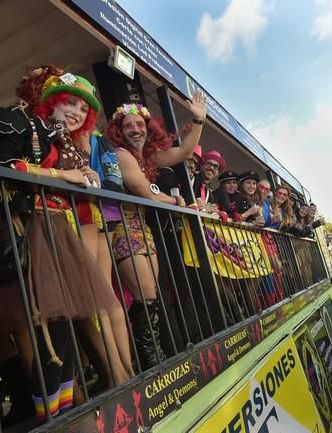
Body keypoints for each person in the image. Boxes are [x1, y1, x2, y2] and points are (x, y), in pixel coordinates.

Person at [0, 71, 121, 421]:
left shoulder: (63, 141)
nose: (75, 111)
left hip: (58, 232)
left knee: (65, 328)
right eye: (69, 101)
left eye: (83, 108)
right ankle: (51, 419)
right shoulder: (18, 120)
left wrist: (86, 177)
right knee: (48, 331)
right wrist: (63, 176)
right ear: (52, 101)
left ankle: (66, 415)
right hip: (30, 230)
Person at [103, 92, 206, 368]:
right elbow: (146, 194)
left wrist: (198, 120)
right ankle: (150, 361)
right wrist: (176, 200)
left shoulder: (146, 156)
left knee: (151, 297)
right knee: (145, 294)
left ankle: (155, 355)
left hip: (142, 229)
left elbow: (183, 152)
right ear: (119, 130)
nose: (135, 129)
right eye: (129, 125)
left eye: (139, 125)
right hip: (123, 228)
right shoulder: (122, 155)